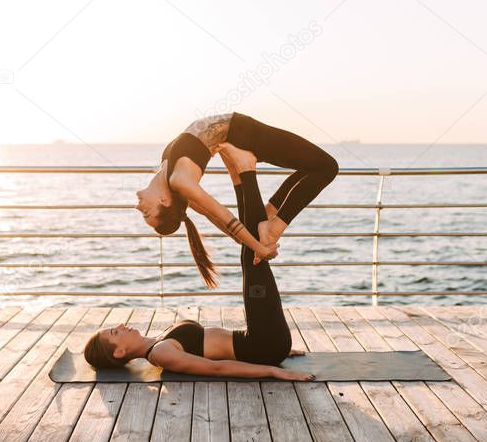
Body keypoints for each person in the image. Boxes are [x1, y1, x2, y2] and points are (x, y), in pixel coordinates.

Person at [85, 145, 314, 380]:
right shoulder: (160, 354)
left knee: (251, 246)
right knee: (252, 246)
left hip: (264, 344)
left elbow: (224, 352)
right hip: (263, 346)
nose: (121, 325)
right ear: (120, 351)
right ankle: (249, 169)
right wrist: (272, 369)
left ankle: (272, 171)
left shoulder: (159, 341)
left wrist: (277, 352)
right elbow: (216, 368)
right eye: (115, 332)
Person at [135, 111, 339, 287]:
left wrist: (245, 239)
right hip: (245, 133)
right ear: (163, 201)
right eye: (146, 212)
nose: (138, 207)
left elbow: (218, 220)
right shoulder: (181, 181)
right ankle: (274, 226)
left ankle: (269, 215)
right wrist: (259, 247)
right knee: (328, 167)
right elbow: (222, 215)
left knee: (313, 168)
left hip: (239, 134)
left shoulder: (168, 172)